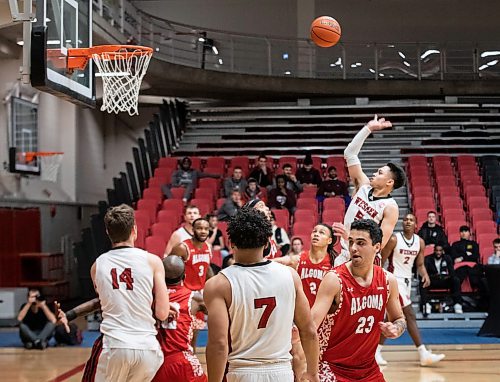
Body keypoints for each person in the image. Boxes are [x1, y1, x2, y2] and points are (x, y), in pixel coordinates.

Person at [204, 208, 319, 382]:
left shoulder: (218, 284)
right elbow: (308, 330)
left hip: (242, 372)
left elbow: (219, 344)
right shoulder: (291, 276)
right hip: (281, 372)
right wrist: (312, 372)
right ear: (267, 243)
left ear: (231, 243)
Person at [311, 219, 406, 382]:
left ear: (377, 247)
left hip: (368, 370)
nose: (354, 248)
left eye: (361, 243)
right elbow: (310, 328)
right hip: (330, 368)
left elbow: (400, 319)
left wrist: (396, 328)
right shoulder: (334, 279)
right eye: (351, 242)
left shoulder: (388, 281)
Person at [90, 204, 170, 381]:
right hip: (147, 347)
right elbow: (162, 314)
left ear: (108, 232)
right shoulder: (153, 261)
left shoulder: (97, 265)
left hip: (115, 345)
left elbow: (106, 299)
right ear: (134, 230)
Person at [376, 213, 445, 367]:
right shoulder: (394, 239)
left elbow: (419, 264)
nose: (407, 221)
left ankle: (375, 351)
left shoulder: (419, 242)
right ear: (402, 223)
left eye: (411, 220)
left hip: (406, 282)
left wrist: (425, 275)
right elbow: (382, 259)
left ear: (416, 224)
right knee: (409, 315)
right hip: (394, 280)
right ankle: (423, 353)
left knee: (390, 319)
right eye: (405, 219)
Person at [337, 115, 406, 266]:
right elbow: (350, 153)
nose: (374, 173)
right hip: (344, 252)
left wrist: (350, 236)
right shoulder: (363, 185)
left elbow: (379, 244)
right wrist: (368, 129)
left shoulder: (390, 207)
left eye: (380, 172)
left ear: (389, 182)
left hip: (365, 260)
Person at [153, 256, 207, 382]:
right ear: (184, 276)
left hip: (154, 362)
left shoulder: (149, 298)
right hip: (180, 359)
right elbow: (223, 313)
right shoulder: (195, 299)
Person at [170, 217, 213, 349]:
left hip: (199, 295)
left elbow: (206, 269)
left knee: (193, 337)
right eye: (199, 228)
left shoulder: (207, 247)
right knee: (183, 336)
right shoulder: (183, 248)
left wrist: (214, 282)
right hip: (185, 296)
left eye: (206, 228)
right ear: (192, 230)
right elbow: (169, 268)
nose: (203, 231)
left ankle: (190, 362)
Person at [421, 244, 463, 314]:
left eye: (440, 251)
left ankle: (457, 304)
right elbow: (425, 272)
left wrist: (447, 276)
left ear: (443, 251)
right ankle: (426, 305)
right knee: (423, 281)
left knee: (456, 280)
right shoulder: (427, 259)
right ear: (434, 251)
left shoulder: (447, 258)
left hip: (444, 280)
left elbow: (452, 273)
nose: (438, 253)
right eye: (436, 251)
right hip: (432, 281)